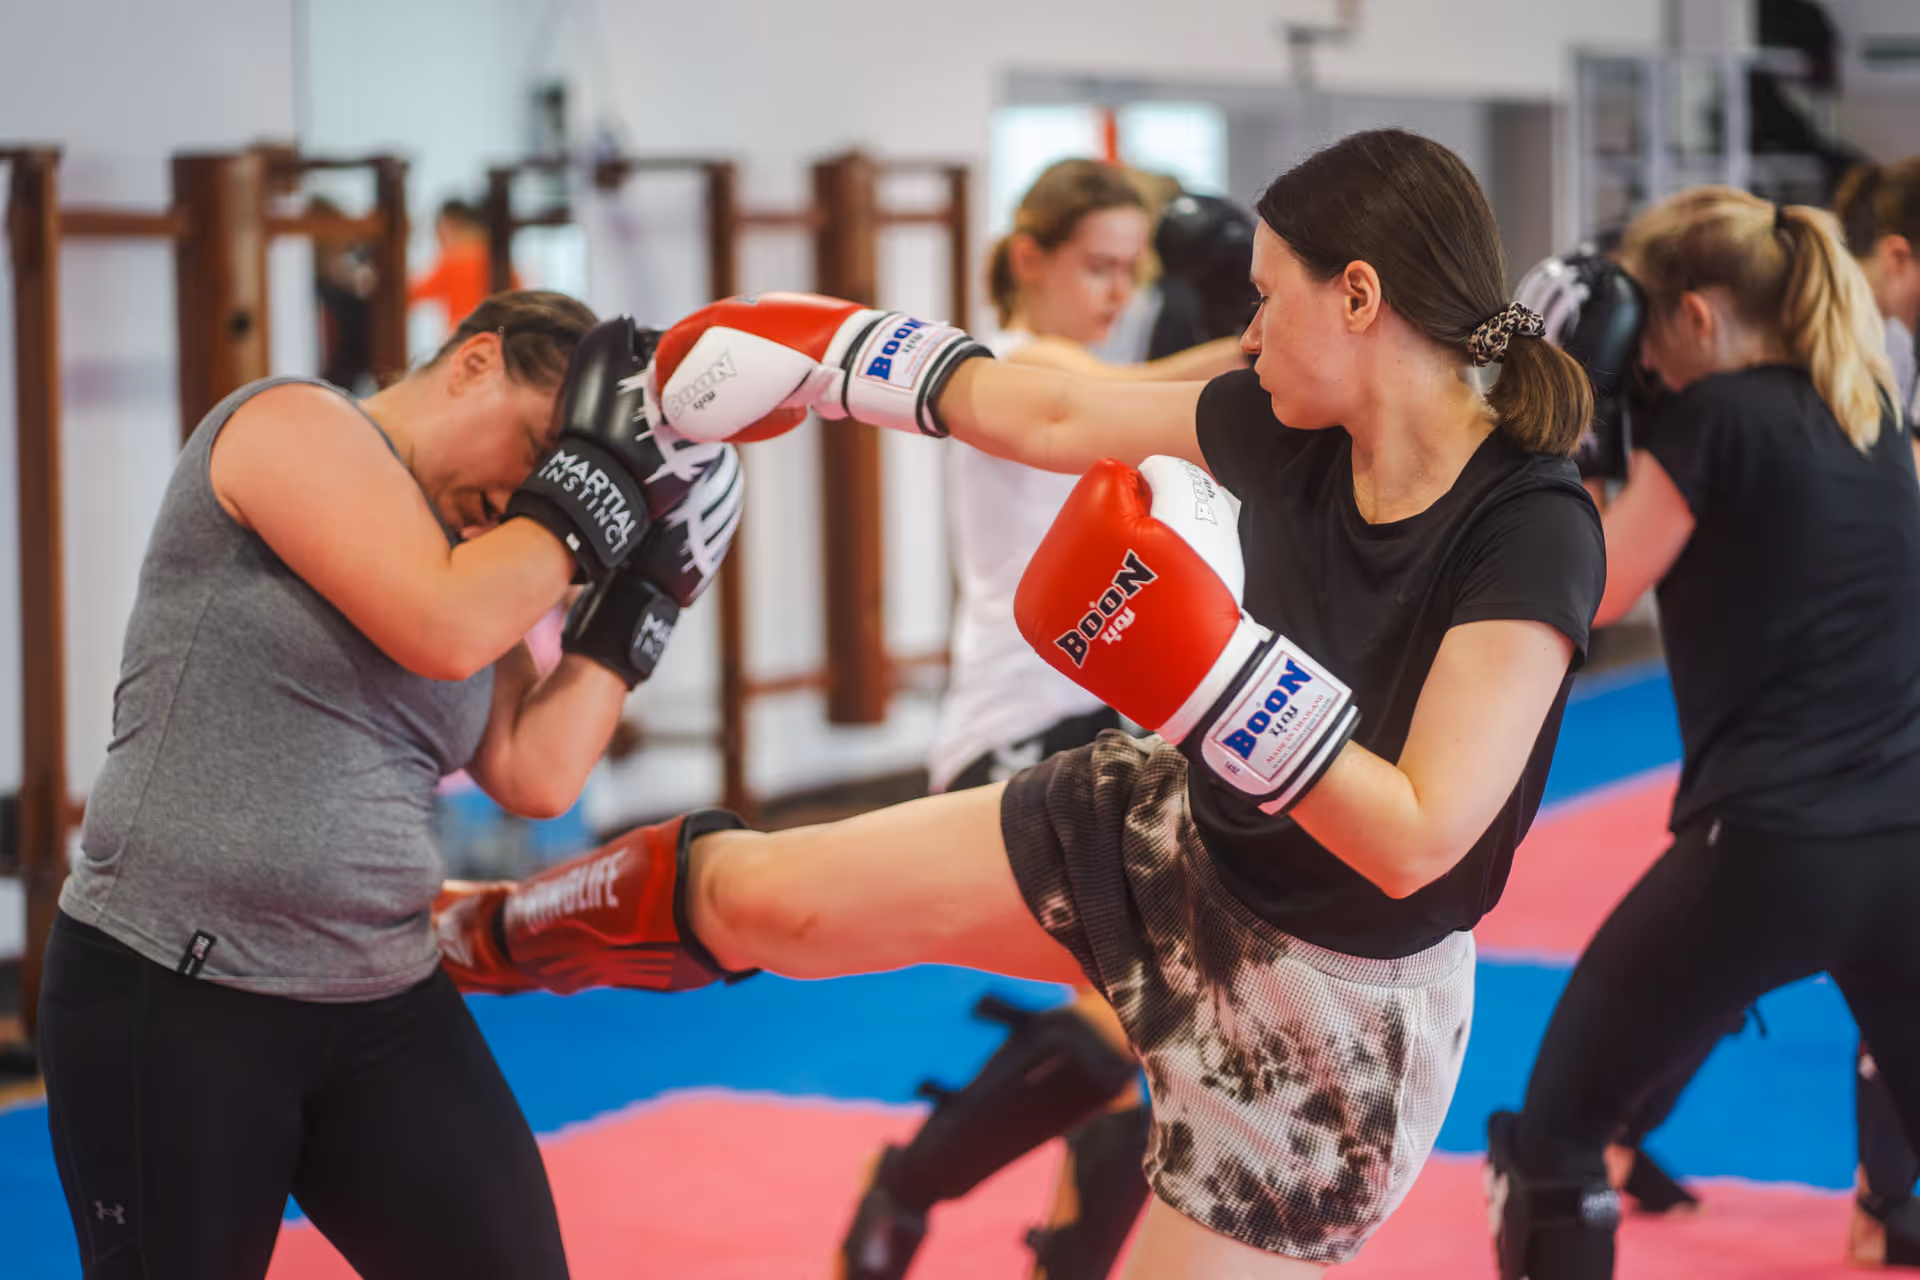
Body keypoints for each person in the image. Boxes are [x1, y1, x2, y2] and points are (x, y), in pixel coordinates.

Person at [439, 128, 1606, 1277]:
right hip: (1174, 840)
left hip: (1331, 1022)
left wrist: (1211, 679)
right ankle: (473, 934)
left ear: (1358, 295)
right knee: (762, 897)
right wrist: (836, 357)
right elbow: (1046, 415)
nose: (1244, 334)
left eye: (1264, 297)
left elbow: (1418, 835)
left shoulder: (1532, 522)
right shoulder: (1281, 427)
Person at [36, 290, 741, 1279]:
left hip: (379, 996)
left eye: (563, 471)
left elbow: (534, 770)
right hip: (178, 989)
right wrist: (598, 490)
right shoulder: (291, 425)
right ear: (473, 362)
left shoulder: (472, 555)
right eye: (541, 451)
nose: (536, 493)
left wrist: (644, 598)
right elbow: (443, 624)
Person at [1485, 186, 1920, 1280]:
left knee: (1554, 1141)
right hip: (1907, 840)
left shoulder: (1716, 418)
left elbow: (1587, 593)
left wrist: (1571, 437)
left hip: (1775, 848)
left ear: (1690, 315)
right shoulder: (1866, 407)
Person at [837, 160, 1244, 1280]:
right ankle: (914, 1194)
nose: (1115, 290)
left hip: (1107, 733)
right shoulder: (1021, 368)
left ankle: (920, 1201)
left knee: (1161, 1028)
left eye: (1132, 271)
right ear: (1031, 261)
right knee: (1146, 1021)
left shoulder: (1112, 389)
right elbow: (1125, 390)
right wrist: (1282, 333)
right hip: (1012, 739)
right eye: (1097, 265)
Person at [410, 199, 515, 340]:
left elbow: (411, 294)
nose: (439, 234)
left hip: (463, 339)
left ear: (453, 223)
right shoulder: (494, 256)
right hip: (498, 338)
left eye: (441, 227)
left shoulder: (455, 259)